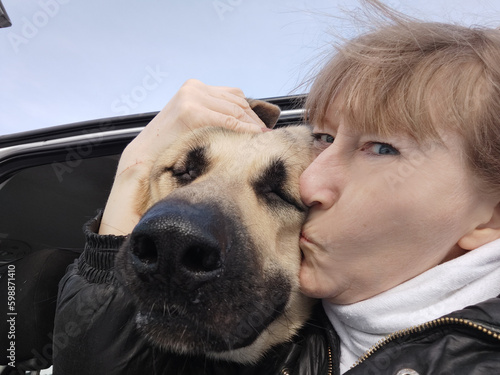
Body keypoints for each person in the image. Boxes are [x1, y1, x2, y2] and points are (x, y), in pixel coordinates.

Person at [53, 1, 500, 374]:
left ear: (491, 216)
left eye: (381, 148)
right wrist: (137, 165)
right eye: (323, 138)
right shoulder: (296, 341)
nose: (314, 179)